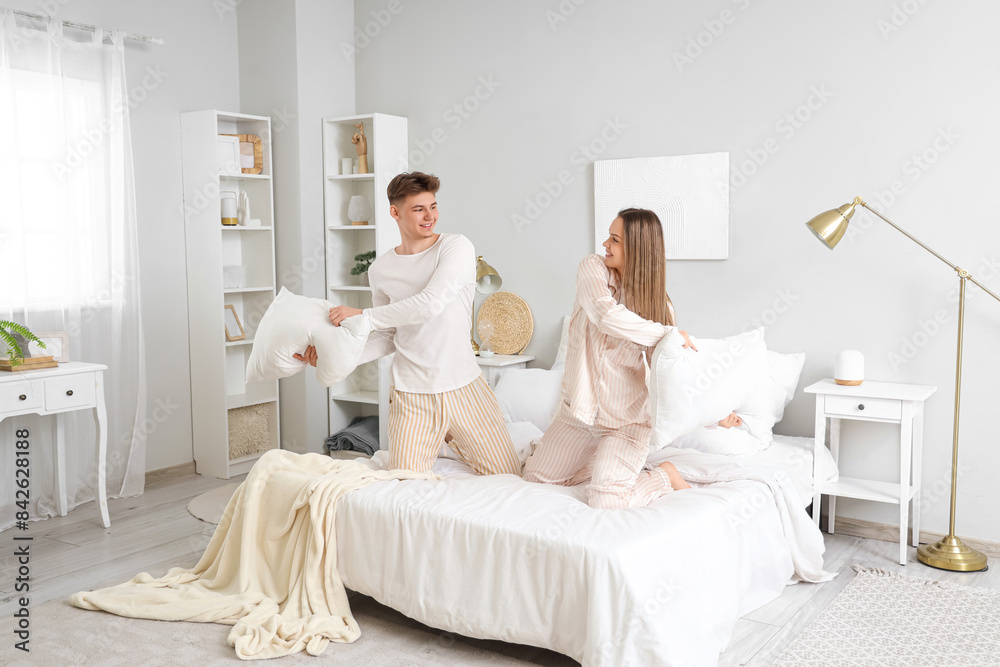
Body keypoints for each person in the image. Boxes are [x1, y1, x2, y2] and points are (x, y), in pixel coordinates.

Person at [297, 172, 521, 476]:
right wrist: (331, 356)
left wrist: (363, 316)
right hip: (410, 393)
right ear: (395, 212)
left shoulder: (455, 247)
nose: (430, 216)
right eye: (419, 209)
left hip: (464, 386)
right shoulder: (380, 270)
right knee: (404, 486)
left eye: (433, 206)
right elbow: (388, 336)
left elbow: (429, 304)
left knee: (508, 475)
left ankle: (458, 449)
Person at [523, 208, 741, 508]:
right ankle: (600, 463)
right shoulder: (593, 269)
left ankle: (663, 476)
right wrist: (667, 334)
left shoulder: (661, 307)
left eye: (614, 240)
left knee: (606, 499)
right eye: (608, 237)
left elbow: (670, 375)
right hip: (579, 414)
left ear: (637, 249)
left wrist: (714, 413)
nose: (605, 244)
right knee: (534, 479)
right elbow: (604, 315)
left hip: (627, 423)